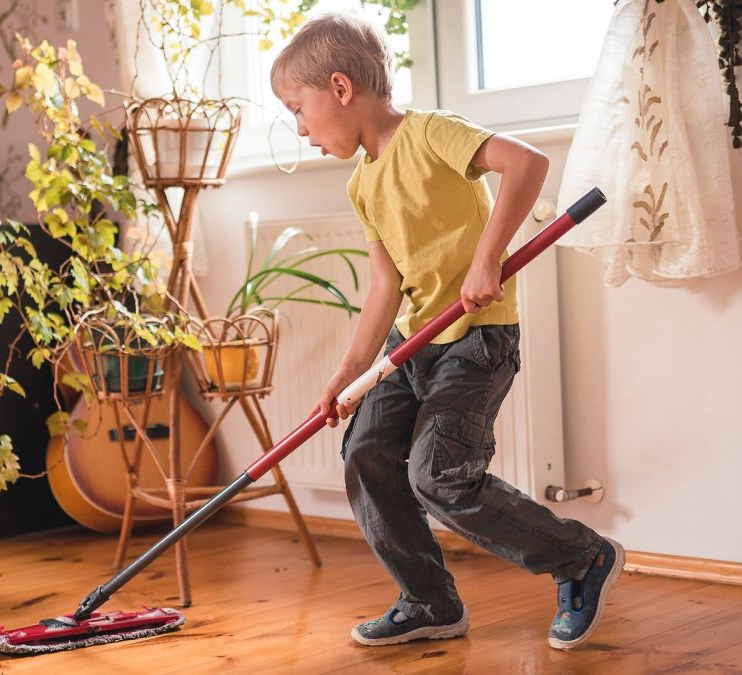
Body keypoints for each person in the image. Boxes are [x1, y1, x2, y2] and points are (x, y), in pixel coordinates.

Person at [270, 13, 624, 651]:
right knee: (366, 452)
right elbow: (385, 286)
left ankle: (580, 557)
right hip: (410, 347)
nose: (301, 129)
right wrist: (347, 374)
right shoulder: (362, 184)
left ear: (341, 88)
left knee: (441, 476)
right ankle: (428, 602)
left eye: (299, 109)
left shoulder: (430, 132)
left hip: (475, 340)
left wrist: (489, 257)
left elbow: (527, 164)